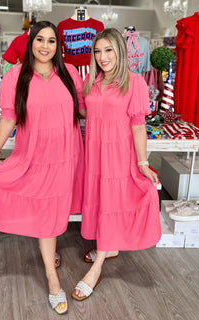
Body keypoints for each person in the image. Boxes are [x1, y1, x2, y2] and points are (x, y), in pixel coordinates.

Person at [0, 21, 86, 315]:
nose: (45, 46)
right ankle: (52, 277)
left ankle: (50, 255)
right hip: (34, 156)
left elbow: (85, 109)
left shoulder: (70, 73)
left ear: (58, 46)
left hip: (67, 156)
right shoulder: (14, 76)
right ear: (30, 42)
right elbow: (8, 118)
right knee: (45, 212)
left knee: (54, 210)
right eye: (40, 40)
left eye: (51, 41)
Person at [72, 28, 161, 301]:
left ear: (120, 51)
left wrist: (143, 162)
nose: (102, 56)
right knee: (100, 201)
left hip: (118, 154)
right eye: (97, 51)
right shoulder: (93, 82)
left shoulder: (133, 82)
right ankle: (108, 246)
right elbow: (88, 111)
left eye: (108, 50)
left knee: (112, 202)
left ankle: (98, 265)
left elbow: (138, 126)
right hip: (95, 152)